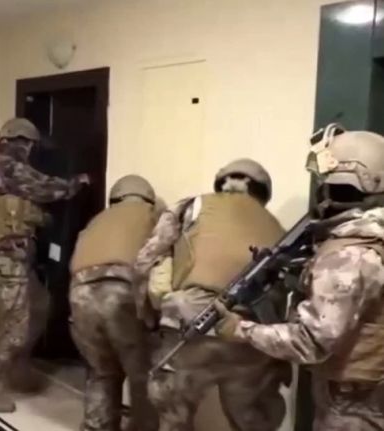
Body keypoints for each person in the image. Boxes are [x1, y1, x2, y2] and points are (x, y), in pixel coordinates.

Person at [214, 125, 384, 430]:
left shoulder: (348, 253)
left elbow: (311, 341)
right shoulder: (370, 239)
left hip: (352, 405)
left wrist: (239, 329)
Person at [134, 159, 289, 431]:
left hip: (190, 324)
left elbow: (147, 259)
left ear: (221, 184)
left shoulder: (191, 206)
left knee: (174, 416)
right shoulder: (279, 229)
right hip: (251, 335)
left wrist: (148, 315)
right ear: (262, 192)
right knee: (252, 421)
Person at [0, 117, 91, 412]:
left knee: (40, 304)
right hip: (7, 256)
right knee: (18, 322)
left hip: (4, 255)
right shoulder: (9, 168)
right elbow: (49, 188)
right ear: (20, 143)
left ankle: (16, 364)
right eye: (30, 145)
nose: (30, 151)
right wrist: (80, 181)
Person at [69, 175, 161, 431]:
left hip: (80, 294)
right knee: (142, 375)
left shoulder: (97, 220)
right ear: (148, 198)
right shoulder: (153, 216)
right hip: (122, 293)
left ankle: (96, 426)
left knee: (100, 371)